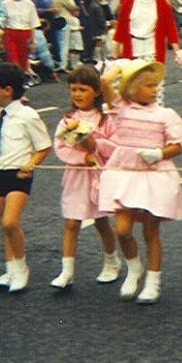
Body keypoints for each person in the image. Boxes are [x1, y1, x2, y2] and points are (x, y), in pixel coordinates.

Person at [99, 60, 182, 304]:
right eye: (149, 85)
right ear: (131, 88)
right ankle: (134, 267)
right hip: (124, 173)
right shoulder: (121, 109)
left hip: (154, 174)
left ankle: (153, 280)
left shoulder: (165, 114)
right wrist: (123, 65)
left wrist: (159, 154)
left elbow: (177, 144)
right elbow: (106, 81)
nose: (155, 90)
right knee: (123, 229)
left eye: (156, 86)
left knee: (151, 230)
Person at [0, 63, 52, 292]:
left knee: (10, 222)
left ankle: (21, 269)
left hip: (19, 174)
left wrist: (30, 165)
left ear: (7, 90)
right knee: (6, 227)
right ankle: (10, 267)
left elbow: (43, 146)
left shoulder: (27, 115)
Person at [50, 66, 120, 289]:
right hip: (77, 175)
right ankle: (67, 271)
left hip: (100, 175)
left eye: (83, 89)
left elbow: (115, 145)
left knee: (101, 221)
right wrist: (81, 158)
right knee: (71, 222)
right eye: (73, 89)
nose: (77, 94)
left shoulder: (105, 119)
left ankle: (111, 261)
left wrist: (95, 150)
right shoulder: (67, 119)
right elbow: (60, 147)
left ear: (97, 92)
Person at [113, 0, 181, 103]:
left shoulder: (162, 3)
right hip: (132, 49)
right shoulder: (129, 1)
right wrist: (116, 50)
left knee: (154, 88)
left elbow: (170, 28)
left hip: (153, 51)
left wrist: (176, 50)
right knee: (132, 88)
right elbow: (121, 26)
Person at [1, 0, 40, 73]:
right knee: (13, 60)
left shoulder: (29, 4)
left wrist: (32, 41)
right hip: (10, 34)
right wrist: (0, 41)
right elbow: (2, 23)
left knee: (23, 61)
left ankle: (20, 82)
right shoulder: (4, 3)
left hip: (25, 35)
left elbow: (33, 23)